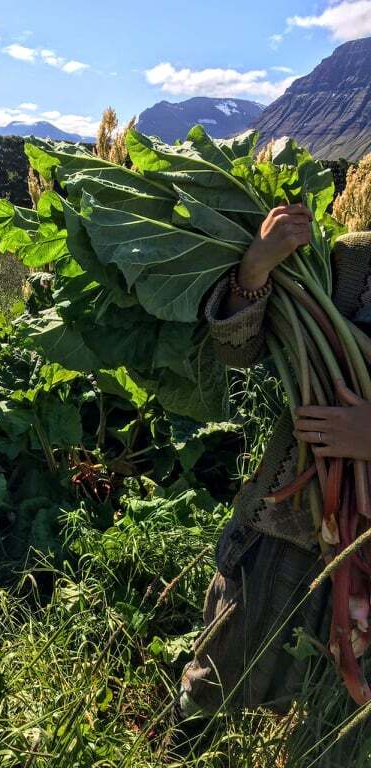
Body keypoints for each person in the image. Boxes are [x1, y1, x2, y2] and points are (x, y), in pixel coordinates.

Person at [179, 203, 371, 716]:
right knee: (224, 675)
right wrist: (255, 269)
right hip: (292, 518)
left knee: (334, 713)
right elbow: (239, 352)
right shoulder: (351, 261)